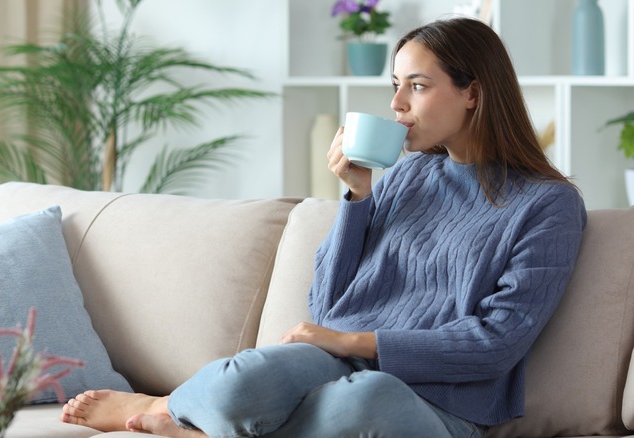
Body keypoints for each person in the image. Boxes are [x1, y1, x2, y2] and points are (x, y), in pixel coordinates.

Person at [60, 17, 586, 437]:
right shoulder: (409, 176)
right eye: (395, 86)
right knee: (249, 380)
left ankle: (197, 428)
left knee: (363, 403)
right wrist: (357, 196)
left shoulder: (548, 204)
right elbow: (329, 304)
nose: (397, 106)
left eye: (418, 87)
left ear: (472, 93)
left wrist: (353, 342)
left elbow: (495, 342)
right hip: (337, 362)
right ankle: (170, 405)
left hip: (441, 401)